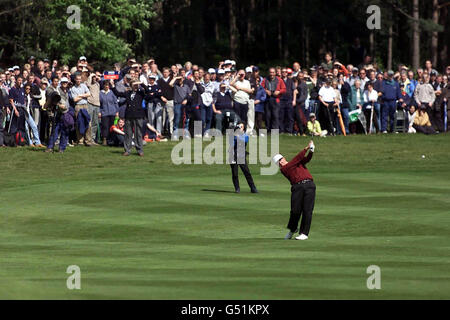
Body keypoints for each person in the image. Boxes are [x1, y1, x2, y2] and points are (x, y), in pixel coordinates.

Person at [273, 140, 316, 241]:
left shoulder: (297, 163)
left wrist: (311, 150)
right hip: (297, 188)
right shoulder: (284, 169)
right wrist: (306, 148)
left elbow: (306, 159)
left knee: (307, 210)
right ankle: (292, 229)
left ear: (283, 158)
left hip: (309, 185)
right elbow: (298, 158)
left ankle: (304, 233)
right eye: (278, 162)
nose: (281, 162)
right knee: (295, 211)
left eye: (280, 160)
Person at [111, 79, 149, 156]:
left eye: (136, 85)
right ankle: (127, 150)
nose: (135, 86)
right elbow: (118, 93)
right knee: (128, 133)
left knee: (138, 133)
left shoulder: (140, 93)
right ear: (131, 85)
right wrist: (112, 85)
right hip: (129, 115)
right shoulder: (128, 93)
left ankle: (140, 150)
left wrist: (141, 83)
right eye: (134, 84)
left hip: (138, 115)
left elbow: (147, 91)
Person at [229, 122, 258, 194]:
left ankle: (253, 188)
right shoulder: (234, 135)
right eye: (239, 126)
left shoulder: (245, 135)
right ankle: (237, 188)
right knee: (235, 173)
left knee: (246, 172)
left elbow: (244, 140)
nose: (240, 128)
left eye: (241, 127)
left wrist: (236, 135)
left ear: (244, 129)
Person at [261, 67, 286, 133]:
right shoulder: (265, 79)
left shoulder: (279, 80)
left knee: (275, 116)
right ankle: (268, 130)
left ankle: (275, 131)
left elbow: (284, 89)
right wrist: (266, 91)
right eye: (270, 72)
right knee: (268, 116)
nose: (271, 74)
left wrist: (279, 92)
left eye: (273, 72)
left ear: (275, 73)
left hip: (276, 99)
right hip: (267, 99)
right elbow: (261, 87)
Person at [99, 81, 119, 146]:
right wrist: (99, 112)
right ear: (103, 86)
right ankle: (104, 139)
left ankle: (111, 140)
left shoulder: (111, 93)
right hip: (104, 112)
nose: (106, 86)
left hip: (112, 112)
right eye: (105, 85)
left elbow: (115, 102)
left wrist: (117, 111)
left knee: (112, 126)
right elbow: (99, 104)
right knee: (105, 126)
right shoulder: (100, 93)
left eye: (107, 85)